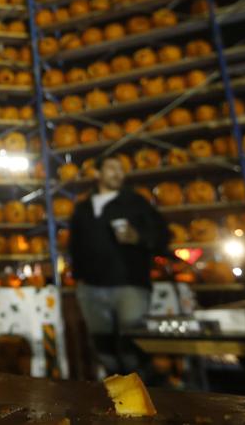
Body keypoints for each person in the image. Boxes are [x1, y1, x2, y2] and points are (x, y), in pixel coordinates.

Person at [69, 154, 169, 378]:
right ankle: (115, 397)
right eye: (111, 168)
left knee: (132, 344)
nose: (118, 173)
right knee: (102, 345)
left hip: (129, 284)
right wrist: (79, 277)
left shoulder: (136, 202)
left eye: (120, 169)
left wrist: (139, 237)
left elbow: (162, 235)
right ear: (97, 173)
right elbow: (74, 244)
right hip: (92, 287)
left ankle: (145, 395)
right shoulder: (83, 208)